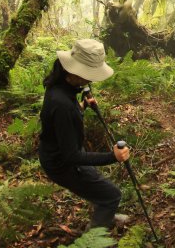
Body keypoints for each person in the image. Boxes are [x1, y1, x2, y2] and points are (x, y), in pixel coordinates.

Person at [39, 39, 130, 230]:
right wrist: (112, 157)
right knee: (112, 195)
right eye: (89, 75)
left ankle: (105, 214)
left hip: (59, 156)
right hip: (62, 164)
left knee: (101, 191)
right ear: (74, 72)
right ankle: (94, 237)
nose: (91, 80)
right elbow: (72, 156)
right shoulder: (63, 105)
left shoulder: (59, 85)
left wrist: (81, 107)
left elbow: (59, 122)